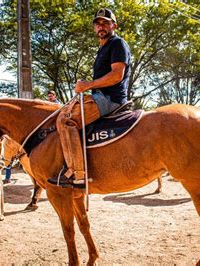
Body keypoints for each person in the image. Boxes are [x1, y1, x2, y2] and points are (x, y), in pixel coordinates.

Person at [48, 8, 131, 188]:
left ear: (113, 25)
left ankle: (77, 175)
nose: (101, 26)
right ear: (94, 28)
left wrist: (87, 85)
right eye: (97, 23)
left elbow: (117, 75)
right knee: (63, 112)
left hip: (110, 98)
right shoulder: (102, 48)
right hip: (99, 96)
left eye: (105, 23)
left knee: (66, 121)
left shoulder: (118, 44)